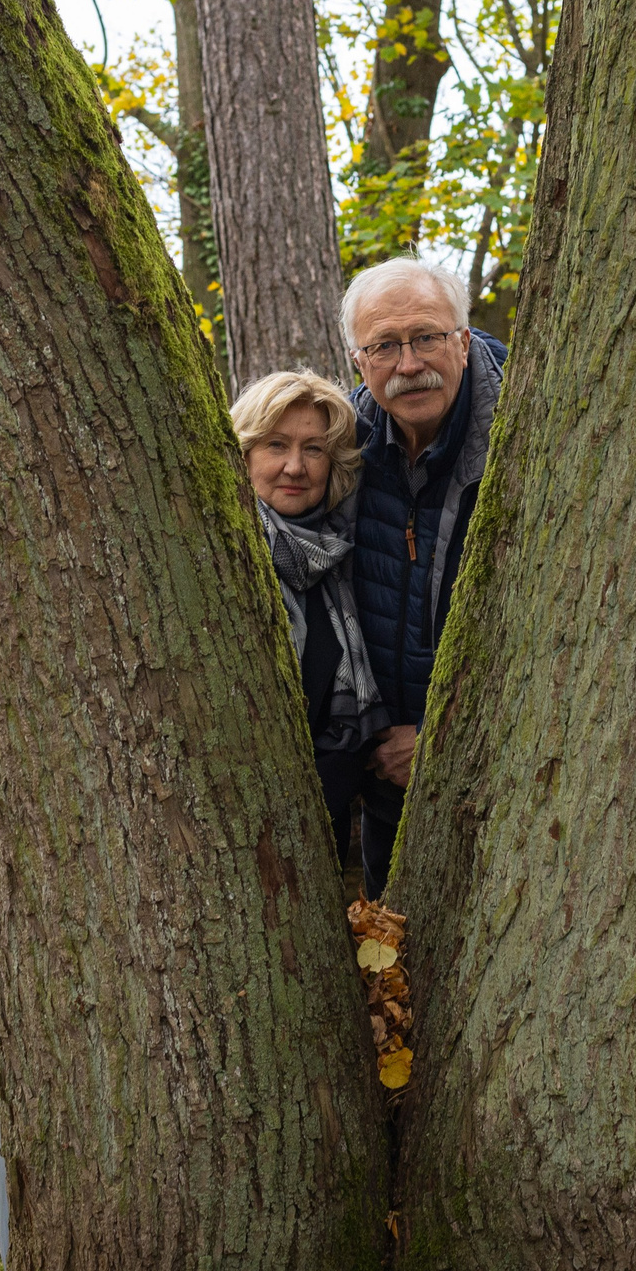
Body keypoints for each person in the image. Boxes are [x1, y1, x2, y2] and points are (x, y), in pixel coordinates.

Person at [342, 259, 506, 894]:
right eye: (384, 346)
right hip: (382, 791)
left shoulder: (525, 443)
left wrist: (441, 737)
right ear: (360, 363)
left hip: (503, 789)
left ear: (463, 342)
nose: (409, 364)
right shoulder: (342, 447)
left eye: (427, 337)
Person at [230, 369, 389, 890]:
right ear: (245, 451)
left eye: (314, 449)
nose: (294, 467)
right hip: (236, 839)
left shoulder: (342, 556)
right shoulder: (222, 552)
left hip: (325, 832)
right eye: (276, 445)